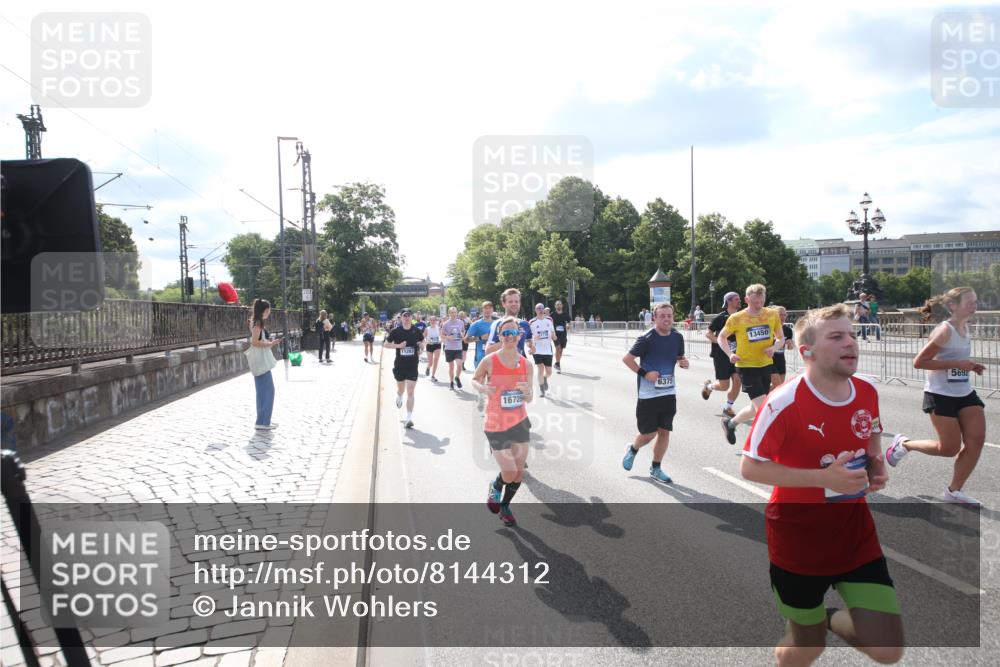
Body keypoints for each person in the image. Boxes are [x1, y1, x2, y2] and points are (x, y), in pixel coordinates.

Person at [740, 303, 903, 667]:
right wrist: (823, 480)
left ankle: (828, 618)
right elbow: (750, 467)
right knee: (807, 647)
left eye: (853, 334)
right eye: (837, 336)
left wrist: (876, 463)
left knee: (888, 650)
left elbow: (871, 435)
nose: (851, 342)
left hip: (854, 534)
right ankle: (813, 627)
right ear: (806, 352)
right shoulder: (783, 402)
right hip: (797, 540)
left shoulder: (865, 391)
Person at [884, 287, 986, 506]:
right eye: (970, 302)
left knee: (976, 440)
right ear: (953, 306)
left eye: (975, 301)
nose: (975, 305)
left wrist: (969, 367)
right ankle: (905, 444)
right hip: (940, 395)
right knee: (948, 449)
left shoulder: (966, 327)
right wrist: (957, 364)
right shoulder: (945, 330)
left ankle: (954, 491)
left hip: (965, 393)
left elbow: (954, 364)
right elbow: (919, 362)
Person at [472, 316, 535, 527]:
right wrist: (482, 388)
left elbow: (529, 397)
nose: (509, 336)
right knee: (508, 472)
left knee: (518, 473)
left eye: (513, 333)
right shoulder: (490, 360)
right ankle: (496, 486)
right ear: (499, 336)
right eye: (505, 333)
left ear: (519, 335)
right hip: (496, 423)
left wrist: (527, 392)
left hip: (519, 422)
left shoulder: (526, 364)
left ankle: (506, 506)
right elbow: (475, 378)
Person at [621, 303, 689, 483]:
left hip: (668, 393)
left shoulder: (677, 337)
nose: (667, 319)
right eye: (662, 316)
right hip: (648, 395)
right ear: (655, 318)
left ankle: (656, 468)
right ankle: (633, 448)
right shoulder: (646, 338)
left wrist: (683, 362)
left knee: (664, 432)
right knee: (649, 434)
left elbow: (679, 357)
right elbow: (627, 359)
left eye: (669, 315)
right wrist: (645, 374)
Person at [719, 284, 784, 445]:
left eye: (762, 301)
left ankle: (731, 423)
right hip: (746, 366)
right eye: (755, 302)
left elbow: (781, 338)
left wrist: (774, 347)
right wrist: (730, 354)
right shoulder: (736, 318)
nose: (759, 305)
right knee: (763, 407)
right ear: (747, 299)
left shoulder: (772, 314)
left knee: (755, 407)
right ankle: (763, 445)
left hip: (765, 364)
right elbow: (722, 337)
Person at [701, 291, 743, 417]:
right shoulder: (721, 317)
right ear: (729, 301)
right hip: (721, 356)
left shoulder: (742, 317)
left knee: (737, 380)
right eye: (736, 299)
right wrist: (720, 343)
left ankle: (728, 408)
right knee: (724, 386)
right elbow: (708, 333)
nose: (739, 301)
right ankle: (708, 387)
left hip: (736, 355)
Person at [384, 309, 424, 429]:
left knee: (411, 391)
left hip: (412, 364)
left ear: (412, 317)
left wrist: (422, 346)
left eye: (409, 316)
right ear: (401, 318)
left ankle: (408, 418)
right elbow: (386, 344)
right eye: (404, 316)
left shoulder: (416, 330)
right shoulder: (396, 331)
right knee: (401, 389)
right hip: (400, 365)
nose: (407, 318)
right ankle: (399, 395)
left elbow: (422, 341)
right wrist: (398, 346)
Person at [248, 299, 282, 430]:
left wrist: (268, 341)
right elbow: (255, 342)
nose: (269, 313)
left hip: (259, 361)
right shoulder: (258, 324)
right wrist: (270, 344)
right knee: (268, 391)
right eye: (268, 311)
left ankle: (263, 420)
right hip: (261, 361)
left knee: (263, 391)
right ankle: (263, 421)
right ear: (265, 311)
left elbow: (257, 340)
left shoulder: (254, 322)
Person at [466, 301, 498, 412]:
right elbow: (466, 339)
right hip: (481, 356)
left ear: (492, 310)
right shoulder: (476, 324)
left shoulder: (498, 323)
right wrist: (479, 338)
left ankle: (491, 404)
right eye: (486, 308)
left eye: (490, 308)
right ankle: (481, 397)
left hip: (495, 357)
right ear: (482, 310)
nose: (488, 310)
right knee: (481, 380)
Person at [485, 288, 533, 357]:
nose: (514, 304)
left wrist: (532, 346)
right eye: (510, 302)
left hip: (520, 365)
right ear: (503, 304)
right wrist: (508, 338)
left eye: (516, 301)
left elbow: (529, 340)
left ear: (520, 304)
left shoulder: (525, 324)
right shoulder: (497, 324)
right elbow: (488, 351)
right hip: (502, 366)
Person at [528, 303, 556, 397]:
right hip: (537, 349)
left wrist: (554, 336)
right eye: (538, 308)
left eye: (541, 308)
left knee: (549, 372)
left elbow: (552, 332)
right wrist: (533, 339)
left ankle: (544, 379)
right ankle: (541, 389)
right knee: (540, 369)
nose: (540, 310)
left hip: (548, 349)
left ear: (544, 310)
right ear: (535, 310)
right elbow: (529, 337)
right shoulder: (532, 322)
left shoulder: (549, 320)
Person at [769, 306, 796, 391]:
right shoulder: (769, 328)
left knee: (779, 387)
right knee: (778, 385)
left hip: (781, 359)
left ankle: (762, 396)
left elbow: (790, 348)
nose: (783, 317)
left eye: (784, 315)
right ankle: (761, 399)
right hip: (770, 360)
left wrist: (790, 344)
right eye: (780, 314)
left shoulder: (788, 330)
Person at [442, 307, 466, 390]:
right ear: (449, 313)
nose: (453, 314)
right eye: (452, 312)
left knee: (459, 365)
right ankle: (451, 381)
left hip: (458, 347)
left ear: (457, 313)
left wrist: (463, 334)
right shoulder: (445, 323)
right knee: (451, 367)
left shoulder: (461, 322)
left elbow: (463, 331)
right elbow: (442, 335)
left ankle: (457, 377)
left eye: (455, 312)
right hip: (449, 348)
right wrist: (448, 337)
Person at [550, 300, 570, 373]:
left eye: (560, 304)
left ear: (562, 306)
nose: (558, 306)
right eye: (557, 305)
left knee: (561, 350)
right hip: (555, 335)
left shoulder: (565, 314)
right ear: (555, 306)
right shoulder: (552, 314)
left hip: (563, 334)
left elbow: (568, 321)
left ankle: (557, 363)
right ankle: (558, 364)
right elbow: (549, 323)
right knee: (558, 348)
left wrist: (568, 324)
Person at [423, 314, 443, 381]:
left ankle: (433, 375)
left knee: (436, 360)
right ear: (429, 321)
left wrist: (440, 340)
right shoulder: (427, 329)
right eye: (431, 320)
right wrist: (427, 341)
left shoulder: (439, 328)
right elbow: (423, 338)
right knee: (430, 362)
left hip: (437, 345)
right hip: (429, 345)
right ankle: (428, 367)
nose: (433, 321)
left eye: (434, 320)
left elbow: (442, 337)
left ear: (436, 321)